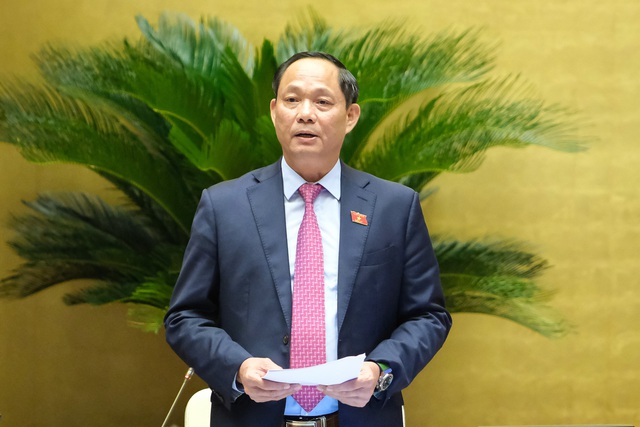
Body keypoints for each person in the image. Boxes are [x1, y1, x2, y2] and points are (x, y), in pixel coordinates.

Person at [164, 51, 452, 427]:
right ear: (274, 112)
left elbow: (428, 315)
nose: (305, 113)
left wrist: (380, 370)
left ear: (351, 116)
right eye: (292, 99)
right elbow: (185, 316)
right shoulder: (224, 206)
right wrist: (238, 368)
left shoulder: (394, 207)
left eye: (322, 101)